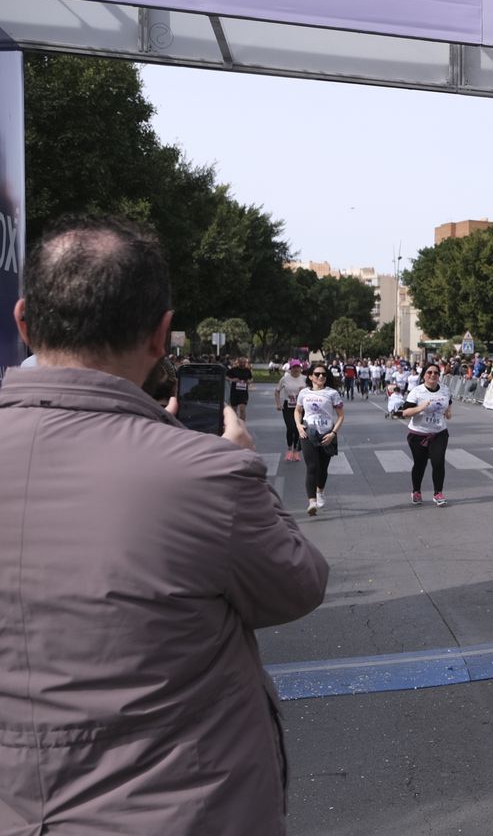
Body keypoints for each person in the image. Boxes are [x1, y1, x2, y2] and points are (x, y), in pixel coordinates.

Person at [0, 215, 327, 834]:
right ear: (160, 335)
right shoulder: (205, 474)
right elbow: (298, 583)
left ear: (24, 321)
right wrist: (238, 469)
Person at [294, 362, 345, 516]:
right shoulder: (304, 393)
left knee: (322, 468)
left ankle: (320, 492)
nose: (321, 376)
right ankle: (311, 502)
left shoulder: (332, 393)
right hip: (308, 432)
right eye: (317, 374)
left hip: (327, 433)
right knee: (312, 467)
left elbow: (341, 416)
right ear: (310, 377)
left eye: (323, 374)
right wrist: (298, 425)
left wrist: (333, 434)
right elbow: (297, 411)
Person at [402, 362, 453, 506]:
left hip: (439, 433)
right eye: (429, 372)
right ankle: (416, 491)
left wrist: (448, 413)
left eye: (436, 373)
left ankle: (438, 493)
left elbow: (448, 405)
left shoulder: (445, 390)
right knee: (420, 464)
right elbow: (405, 413)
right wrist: (421, 407)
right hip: (418, 434)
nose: (433, 375)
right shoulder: (417, 392)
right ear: (424, 375)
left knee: (438, 462)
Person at [275, 358, 307, 461]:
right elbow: (277, 391)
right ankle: (289, 450)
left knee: (298, 428)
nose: (296, 369)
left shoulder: (305, 379)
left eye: (298, 367)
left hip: (301, 407)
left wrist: (305, 391)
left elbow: (312, 391)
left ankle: (296, 451)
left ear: (300, 368)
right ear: (290, 368)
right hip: (288, 406)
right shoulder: (285, 379)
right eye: (294, 367)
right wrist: (278, 404)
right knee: (290, 427)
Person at [226, 354, 253, 421]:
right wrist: (232, 379)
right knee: (234, 410)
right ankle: (235, 424)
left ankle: (242, 424)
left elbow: (251, 379)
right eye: (241, 362)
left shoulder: (247, 370)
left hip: (243, 392)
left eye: (244, 362)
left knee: (242, 409)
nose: (242, 364)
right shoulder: (233, 370)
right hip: (234, 392)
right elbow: (226, 376)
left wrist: (249, 381)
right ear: (238, 362)